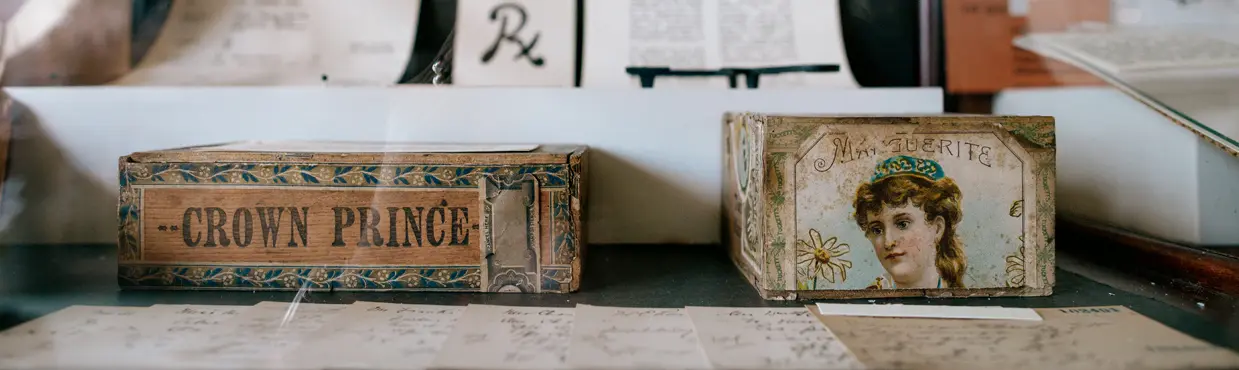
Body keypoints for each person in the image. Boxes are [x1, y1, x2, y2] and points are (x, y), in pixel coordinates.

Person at [852, 155, 966, 289]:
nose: (888, 242)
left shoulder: (964, 303)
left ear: (937, 228)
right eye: (877, 230)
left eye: (902, 224)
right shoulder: (866, 307)